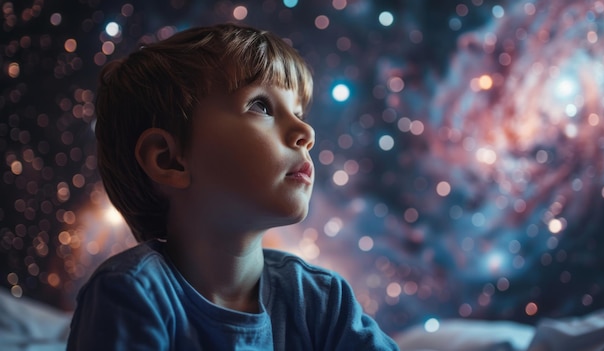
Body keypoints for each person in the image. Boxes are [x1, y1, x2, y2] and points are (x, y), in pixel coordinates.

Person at [66, 23, 399, 350]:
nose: (305, 132)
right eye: (260, 106)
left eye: (298, 112)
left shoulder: (322, 299)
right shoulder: (131, 294)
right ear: (169, 160)